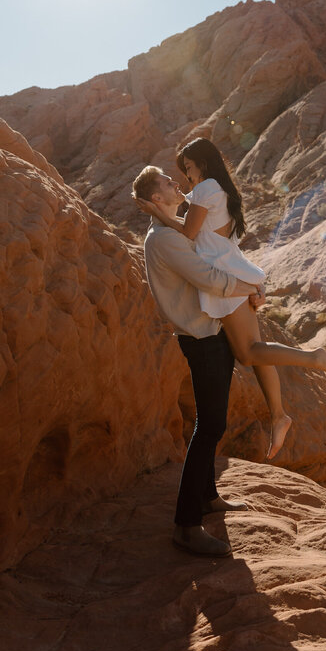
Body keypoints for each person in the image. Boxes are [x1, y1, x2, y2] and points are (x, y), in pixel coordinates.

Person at [133, 163, 267, 558]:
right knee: (210, 426)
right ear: (158, 198)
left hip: (210, 333)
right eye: (169, 183)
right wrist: (253, 288)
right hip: (202, 337)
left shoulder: (169, 231)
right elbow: (210, 278)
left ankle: (207, 497)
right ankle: (186, 525)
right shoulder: (165, 241)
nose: (179, 185)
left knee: (210, 423)